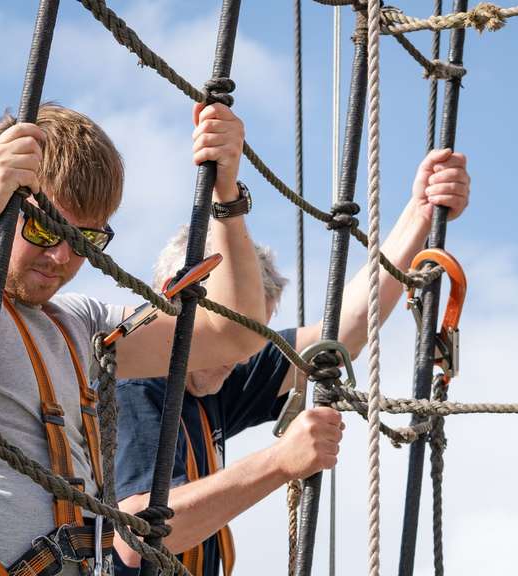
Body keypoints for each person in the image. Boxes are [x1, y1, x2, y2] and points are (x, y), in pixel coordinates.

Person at [0, 101, 268, 576]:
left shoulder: (80, 325)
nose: (60, 257)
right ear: (2, 200)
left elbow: (236, 335)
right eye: (43, 227)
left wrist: (226, 194)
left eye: (84, 242)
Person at [112, 148, 471, 576]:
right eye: (233, 333)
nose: (243, 354)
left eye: (253, 336)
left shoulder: (210, 378)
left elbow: (340, 336)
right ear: (177, 303)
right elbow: (139, 535)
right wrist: (281, 460)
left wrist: (420, 212)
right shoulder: (135, 385)